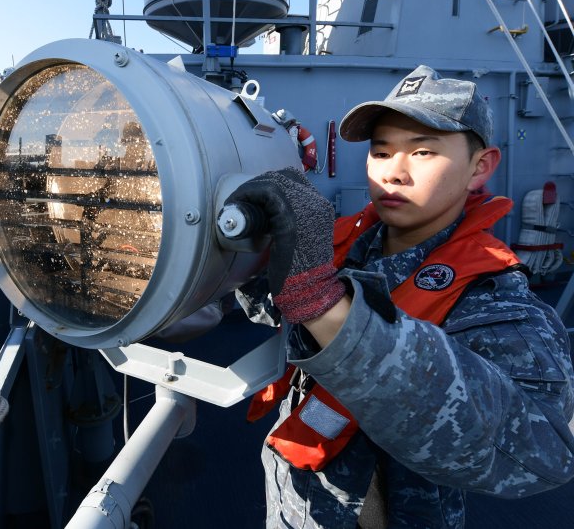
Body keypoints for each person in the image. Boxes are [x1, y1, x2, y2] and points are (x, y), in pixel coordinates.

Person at [227, 65, 574, 528]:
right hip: (295, 502)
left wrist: (324, 303)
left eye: (424, 151)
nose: (395, 172)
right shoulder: (346, 245)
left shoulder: (493, 296)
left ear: (481, 167)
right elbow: (273, 309)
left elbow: (543, 452)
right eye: (381, 151)